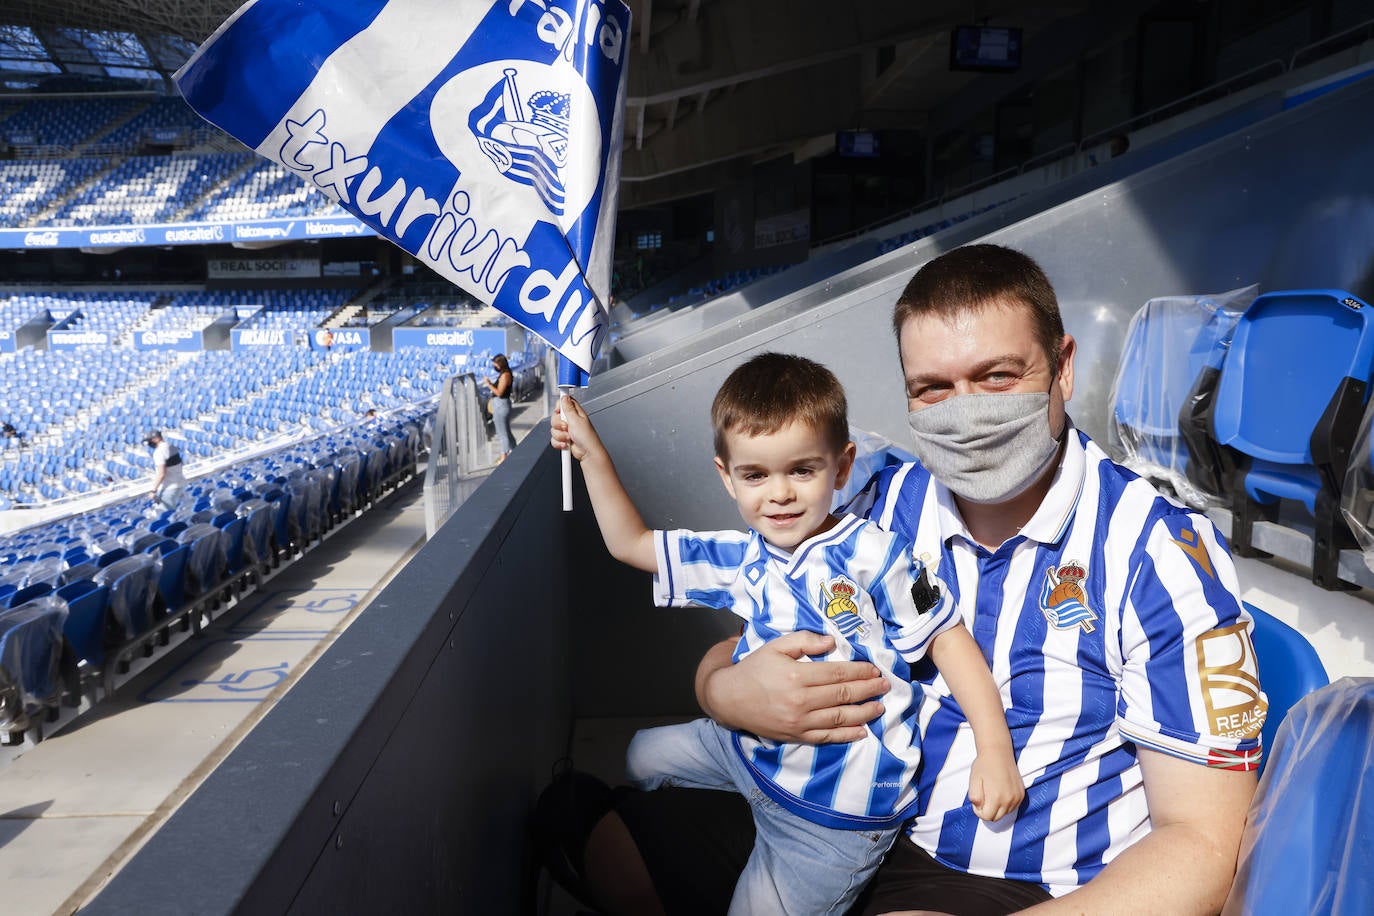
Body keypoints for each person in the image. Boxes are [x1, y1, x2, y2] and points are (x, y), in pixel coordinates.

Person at [540, 244, 1265, 915]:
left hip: (993, 871)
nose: (968, 411)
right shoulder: (875, 498)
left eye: (996, 376)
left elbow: (1203, 846)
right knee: (608, 845)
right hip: (829, 803)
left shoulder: (1159, 551)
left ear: (1063, 366)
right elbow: (749, 641)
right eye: (933, 388)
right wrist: (726, 691)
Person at [550, 352, 1024, 915]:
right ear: (727, 477)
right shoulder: (741, 555)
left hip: (831, 810)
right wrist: (591, 453)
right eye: (755, 474)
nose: (779, 494)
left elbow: (948, 637)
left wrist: (996, 751)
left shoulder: (873, 554)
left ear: (841, 467)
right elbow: (631, 544)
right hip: (751, 750)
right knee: (639, 756)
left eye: (802, 470)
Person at [484, 353, 515, 462]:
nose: (495, 367)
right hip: (500, 405)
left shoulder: (506, 375)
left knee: (502, 432)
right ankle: (514, 452)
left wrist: (488, 384)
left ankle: (504, 456)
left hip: (501, 405)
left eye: (496, 365)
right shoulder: (504, 374)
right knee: (506, 431)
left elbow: (499, 392)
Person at [145, 430, 186, 511]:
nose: (149, 443)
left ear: (156, 439)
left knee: (166, 515)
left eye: (150, 440)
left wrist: (153, 490)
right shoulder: (172, 447)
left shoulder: (159, 452)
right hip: (180, 483)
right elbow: (181, 463)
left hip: (169, 488)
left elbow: (161, 473)